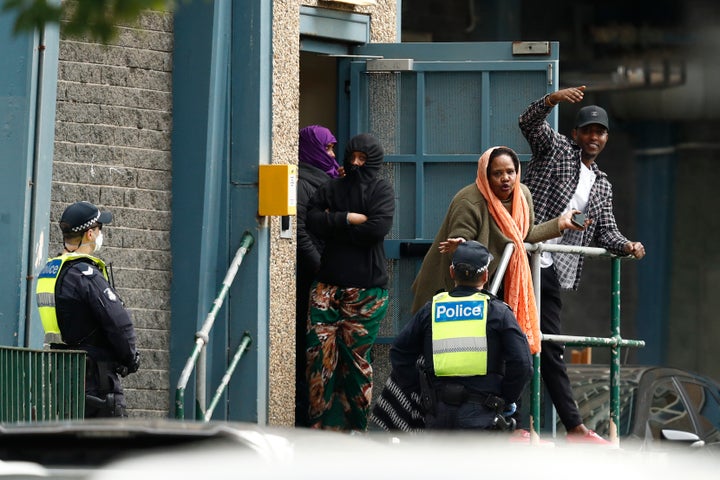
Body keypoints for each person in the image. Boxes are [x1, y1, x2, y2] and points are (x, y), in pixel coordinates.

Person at [519, 85, 646, 444]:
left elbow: (607, 231)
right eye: (587, 130)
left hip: (551, 269)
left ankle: (574, 427)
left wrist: (628, 246)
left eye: (600, 132)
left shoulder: (602, 184)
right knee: (514, 340)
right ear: (575, 134)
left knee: (550, 346)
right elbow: (528, 123)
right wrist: (551, 100)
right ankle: (517, 426)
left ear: (606, 138)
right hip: (522, 255)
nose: (593, 136)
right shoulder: (556, 149)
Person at [411, 146, 584, 356]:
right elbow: (460, 242)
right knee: (446, 354)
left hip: (491, 283)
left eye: (510, 172)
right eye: (497, 173)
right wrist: (461, 244)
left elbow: (524, 234)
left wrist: (561, 223)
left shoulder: (522, 195)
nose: (505, 179)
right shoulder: (469, 201)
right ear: (486, 174)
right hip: (453, 289)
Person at [390, 240, 532, 431]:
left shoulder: (431, 309)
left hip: (438, 413)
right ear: (485, 276)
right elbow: (522, 364)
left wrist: (420, 391)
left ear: (451, 272)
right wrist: (505, 398)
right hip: (482, 414)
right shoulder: (498, 312)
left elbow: (399, 352)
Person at [305, 133, 395, 431]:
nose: (355, 163)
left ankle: (352, 430)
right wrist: (350, 218)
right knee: (319, 359)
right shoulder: (332, 186)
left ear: (374, 161)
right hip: (327, 286)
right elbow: (312, 220)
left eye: (363, 158)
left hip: (367, 291)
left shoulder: (381, 190)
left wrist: (335, 223)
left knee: (354, 363)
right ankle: (321, 430)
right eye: (351, 156)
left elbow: (377, 228)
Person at [36, 201, 140, 418]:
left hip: (64, 376)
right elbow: (119, 324)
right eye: (99, 229)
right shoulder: (85, 275)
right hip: (96, 381)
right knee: (111, 448)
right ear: (90, 234)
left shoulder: (51, 271)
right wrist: (130, 359)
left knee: (74, 446)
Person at [295, 125, 341, 427]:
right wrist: (322, 269)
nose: (333, 155)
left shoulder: (330, 180)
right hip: (313, 281)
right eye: (327, 148)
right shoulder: (302, 183)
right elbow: (297, 231)